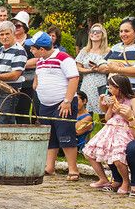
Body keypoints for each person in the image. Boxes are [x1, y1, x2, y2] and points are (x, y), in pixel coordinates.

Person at [29, 30, 81, 180]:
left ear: (42, 49)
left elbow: (74, 78)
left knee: (65, 134)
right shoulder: (40, 60)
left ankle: (73, 168)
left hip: (62, 103)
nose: (31, 50)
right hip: (46, 103)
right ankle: (49, 166)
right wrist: (36, 85)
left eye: (33, 48)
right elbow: (38, 75)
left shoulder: (63, 58)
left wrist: (67, 101)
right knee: (50, 135)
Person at [83, 74, 135, 193]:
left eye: (111, 87)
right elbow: (107, 118)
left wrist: (122, 112)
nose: (109, 90)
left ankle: (125, 182)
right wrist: (108, 105)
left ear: (120, 88)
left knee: (117, 157)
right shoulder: (113, 99)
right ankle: (103, 178)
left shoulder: (132, 100)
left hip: (124, 129)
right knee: (89, 152)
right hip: (109, 128)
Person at [0, 20, 26, 124]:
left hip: (8, 93)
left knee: (4, 123)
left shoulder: (19, 50)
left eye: (7, 34)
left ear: (13, 33)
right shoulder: (1, 49)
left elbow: (15, 75)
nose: (4, 37)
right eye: (1, 34)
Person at [102, 17, 135, 90]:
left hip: (132, 92)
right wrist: (111, 65)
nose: (123, 34)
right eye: (121, 31)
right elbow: (102, 64)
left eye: (126, 31)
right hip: (111, 91)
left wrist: (117, 69)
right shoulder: (115, 47)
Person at [75, 24, 111, 115]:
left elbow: (110, 68)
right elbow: (78, 67)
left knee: (103, 111)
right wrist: (90, 70)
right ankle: (86, 128)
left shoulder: (108, 51)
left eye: (98, 31)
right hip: (87, 84)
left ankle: (105, 129)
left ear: (103, 34)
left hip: (101, 84)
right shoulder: (84, 50)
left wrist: (98, 69)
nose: (94, 33)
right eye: (92, 31)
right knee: (85, 111)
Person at [12, 11, 36, 122]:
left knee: (23, 110)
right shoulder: (8, 39)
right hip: (10, 80)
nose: (15, 28)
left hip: (27, 81)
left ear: (25, 27)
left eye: (18, 25)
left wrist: (19, 64)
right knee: (10, 110)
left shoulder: (31, 41)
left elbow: (37, 59)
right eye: (13, 25)